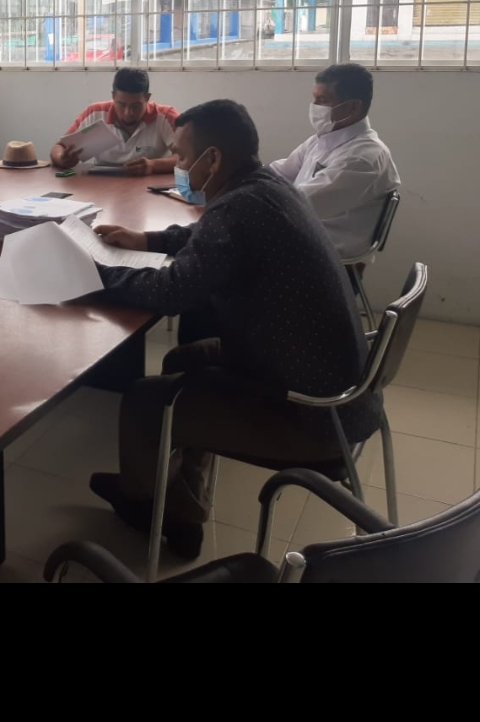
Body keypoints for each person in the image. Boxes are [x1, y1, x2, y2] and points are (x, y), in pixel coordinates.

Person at [88, 100, 381, 562]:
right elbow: (210, 236)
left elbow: (171, 292)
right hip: (331, 385)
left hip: (310, 416)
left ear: (213, 159)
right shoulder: (265, 188)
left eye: (182, 156)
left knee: (145, 400)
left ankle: (145, 505)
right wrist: (148, 240)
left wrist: (96, 274)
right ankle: (184, 505)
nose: (177, 164)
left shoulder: (239, 207)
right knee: (182, 361)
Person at [270, 65, 401, 263]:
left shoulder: (364, 158)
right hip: (301, 241)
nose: (314, 106)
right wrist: (239, 179)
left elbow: (300, 205)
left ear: (353, 107)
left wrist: (243, 198)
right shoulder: (322, 140)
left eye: (323, 100)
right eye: (314, 99)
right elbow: (279, 173)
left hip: (324, 262)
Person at [50, 68, 179, 178]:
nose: (128, 113)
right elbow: (59, 147)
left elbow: (186, 157)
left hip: (147, 185)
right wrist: (61, 158)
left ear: (147, 98)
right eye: (122, 105)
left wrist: (153, 165)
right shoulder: (95, 113)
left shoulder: (165, 116)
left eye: (135, 106)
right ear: (113, 96)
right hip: (101, 185)